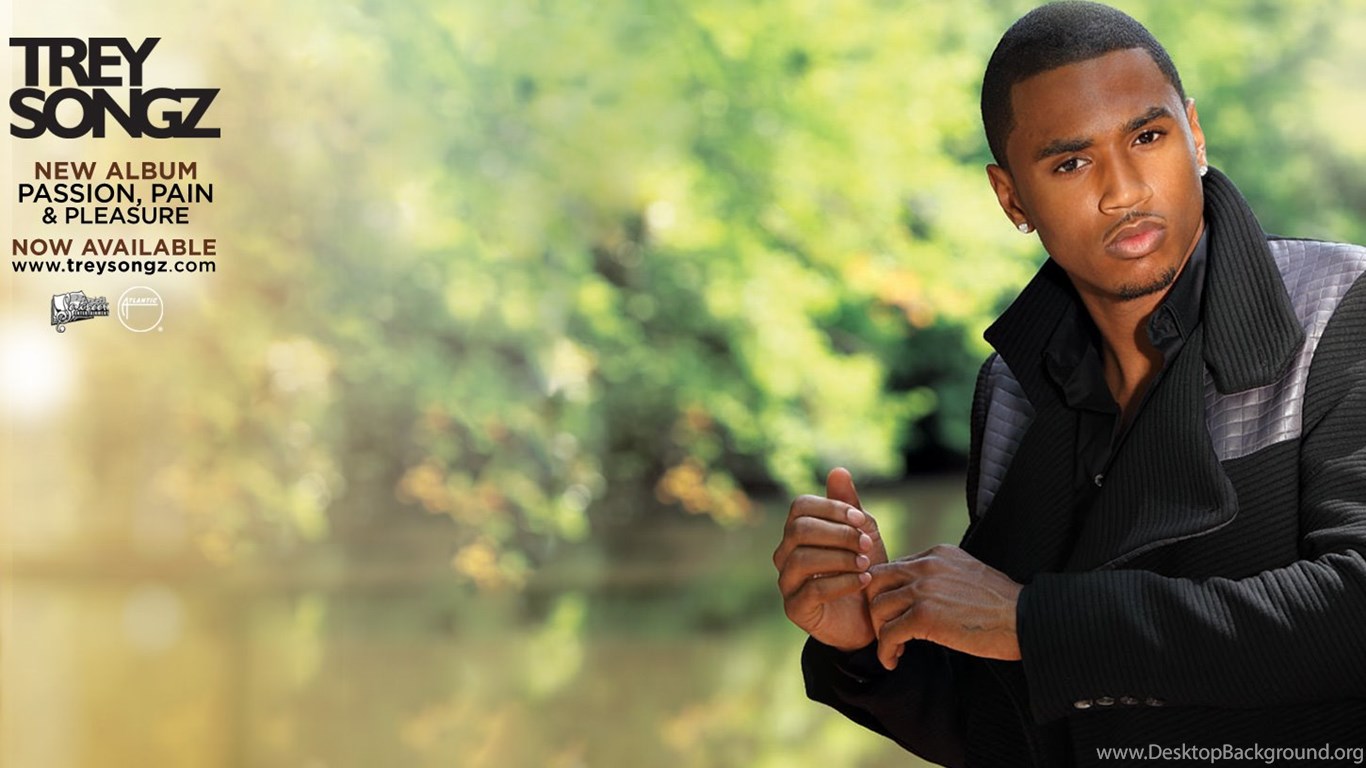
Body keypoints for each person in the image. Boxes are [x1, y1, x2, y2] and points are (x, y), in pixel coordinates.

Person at [771, 3, 1366, 766]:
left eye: (1147, 137)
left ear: (1195, 134)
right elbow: (1017, 727)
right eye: (1071, 163)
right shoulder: (1013, 394)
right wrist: (866, 640)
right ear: (1012, 198)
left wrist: (1034, 622)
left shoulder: (1340, 308)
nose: (1124, 191)